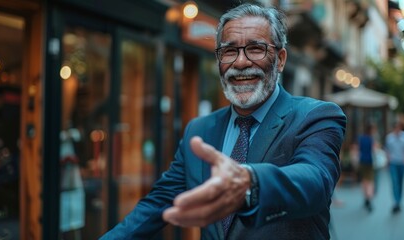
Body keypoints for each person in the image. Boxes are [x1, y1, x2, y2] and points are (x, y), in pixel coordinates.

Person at [100, 3, 346, 240]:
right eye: (229, 51)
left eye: (256, 48)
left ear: (280, 59)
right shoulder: (199, 131)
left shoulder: (317, 116)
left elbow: (316, 180)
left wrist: (250, 182)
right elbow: (158, 203)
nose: (240, 62)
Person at [384, 121, 404, 214]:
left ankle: (399, 201)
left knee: (400, 183)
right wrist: (387, 162)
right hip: (393, 163)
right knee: (395, 182)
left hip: (402, 163)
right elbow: (387, 150)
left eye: (398, 128)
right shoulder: (389, 138)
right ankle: (396, 202)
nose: (397, 130)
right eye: (395, 128)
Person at [357, 123, 376, 212]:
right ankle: (369, 198)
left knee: (364, 180)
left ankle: (366, 197)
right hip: (370, 161)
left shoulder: (361, 138)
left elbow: (358, 149)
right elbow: (374, 150)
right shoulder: (371, 139)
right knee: (370, 181)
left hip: (362, 160)